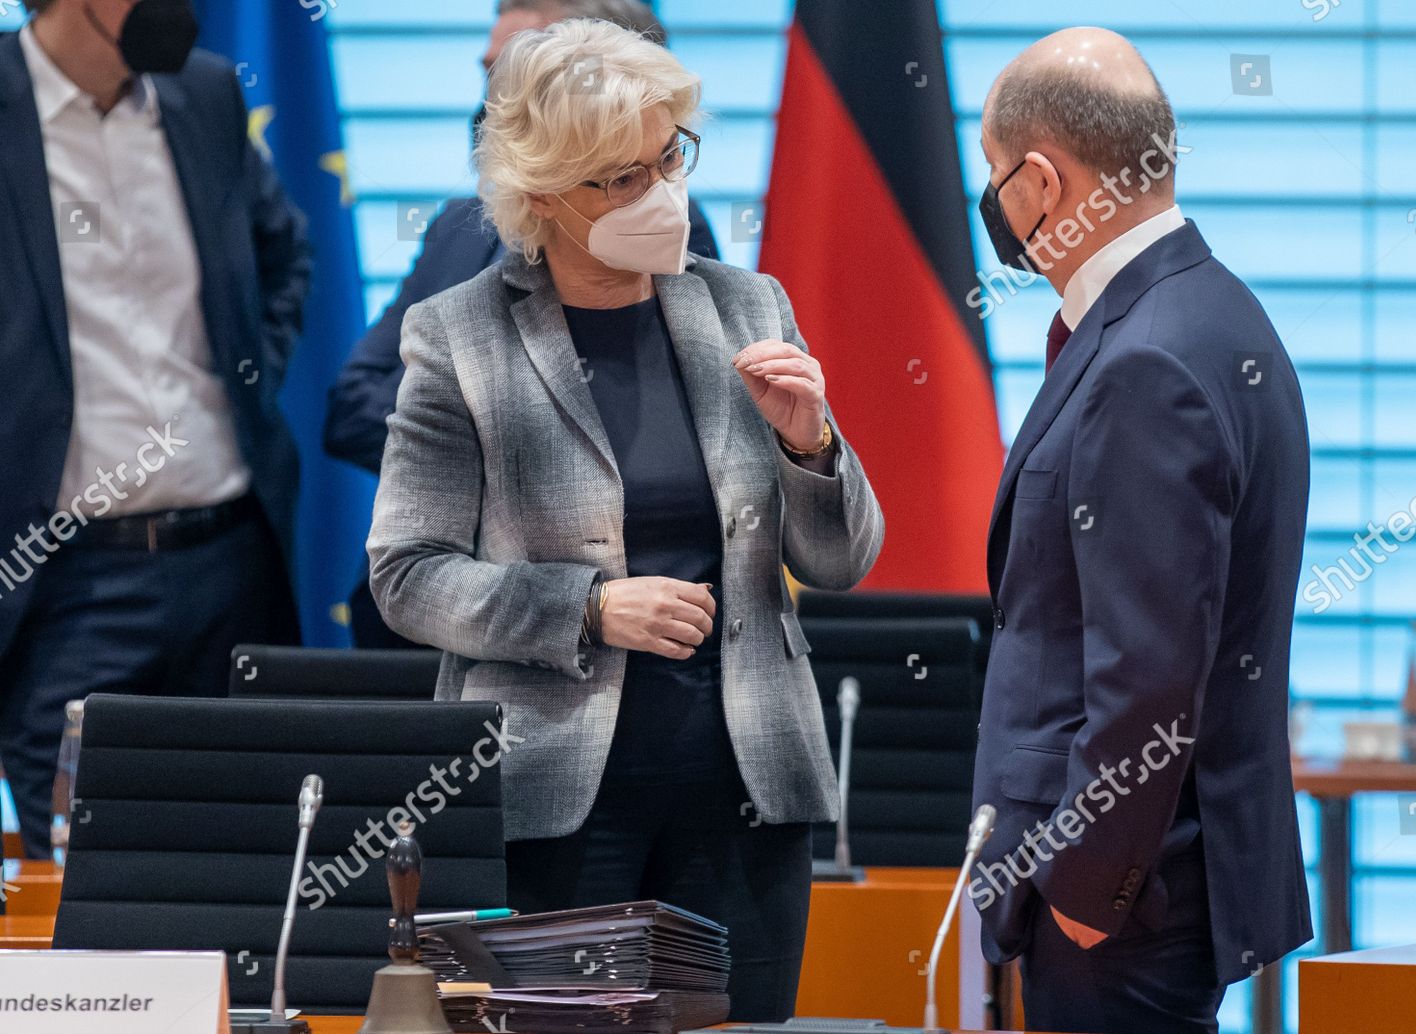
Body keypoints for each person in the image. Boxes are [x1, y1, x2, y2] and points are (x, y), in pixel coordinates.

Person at [367, 18, 883, 1020]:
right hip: (559, 791)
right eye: (620, 179)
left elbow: (840, 558)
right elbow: (407, 571)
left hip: (747, 782)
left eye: (668, 159)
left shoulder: (750, 306)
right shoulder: (458, 336)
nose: (661, 197)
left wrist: (811, 447)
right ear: (544, 191)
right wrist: (590, 606)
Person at [967, 27, 1312, 1034]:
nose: (991, 201)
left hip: (1125, 899)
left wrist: (1084, 885)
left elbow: (1150, 668)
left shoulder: (1144, 360)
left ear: (1040, 181)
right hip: (1159, 878)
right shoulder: (1214, 310)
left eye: (993, 174)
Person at [0, 0, 307, 859]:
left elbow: (284, 252)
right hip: (64, 580)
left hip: (233, 557)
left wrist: (249, 380)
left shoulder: (201, 92)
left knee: (256, 864)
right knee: (81, 890)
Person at [323, 0, 718, 649]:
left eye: (519, 72)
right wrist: (476, 439)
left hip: (592, 641)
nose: (495, 105)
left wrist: (458, 435)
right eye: (490, 75)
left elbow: (635, 435)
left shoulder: (657, 224)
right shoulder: (458, 226)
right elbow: (352, 403)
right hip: (423, 625)